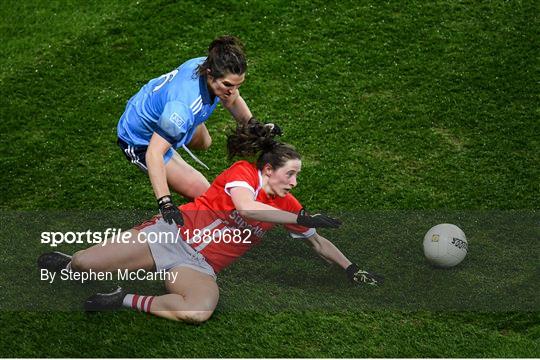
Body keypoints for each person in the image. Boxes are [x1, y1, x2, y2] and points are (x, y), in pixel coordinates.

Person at [38, 121, 383, 324]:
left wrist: (352, 269)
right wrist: (299, 216)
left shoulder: (288, 205)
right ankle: (70, 262)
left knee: (198, 310)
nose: (294, 182)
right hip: (170, 236)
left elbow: (318, 242)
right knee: (86, 264)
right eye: (290, 174)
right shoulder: (243, 174)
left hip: (198, 266)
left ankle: (122, 298)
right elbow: (247, 209)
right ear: (268, 170)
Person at [116, 35, 279, 226]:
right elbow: (154, 153)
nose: (232, 91)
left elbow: (232, 99)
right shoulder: (183, 108)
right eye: (228, 85)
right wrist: (165, 202)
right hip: (141, 140)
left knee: (205, 142)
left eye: (238, 85)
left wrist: (254, 126)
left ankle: (173, 137)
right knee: (205, 195)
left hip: (164, 111)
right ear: (210, 74)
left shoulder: (208, 65)